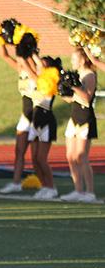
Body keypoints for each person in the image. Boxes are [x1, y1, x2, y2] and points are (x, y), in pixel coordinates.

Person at [0, 43, 37, 194]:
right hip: (25, 116)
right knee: (19, 151)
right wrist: (0, 39)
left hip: (37, 116)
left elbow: (33, 71)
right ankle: (16, 182)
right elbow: (5, 56)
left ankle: (45, 183)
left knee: (36, 156)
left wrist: (26, 57)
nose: (18, 60)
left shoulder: (36, 71)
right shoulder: (21, 70)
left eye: (20, 57)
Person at [61, 47, 97, 203]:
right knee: (70, 156)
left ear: (82, 60)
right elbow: (71, 99)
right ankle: (78, 190)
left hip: (85, 118)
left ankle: (90, 192)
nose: (72, 61)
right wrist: (62, 90)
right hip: (74, 117)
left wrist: (75, 86)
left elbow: (87, 99)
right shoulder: (78, 74)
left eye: (74, 59)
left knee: (81, 157)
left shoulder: (89, 75)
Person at [26, 55, 60, 200]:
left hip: (46, 119)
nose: (38, 66)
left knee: (41, 158)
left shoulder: (50, 80)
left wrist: (31, 54)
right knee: (34, 158)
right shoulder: (37, 80)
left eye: (42, 65)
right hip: (35, 119)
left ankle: (52, 188)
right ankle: (45, 186)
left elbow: (32, 70)